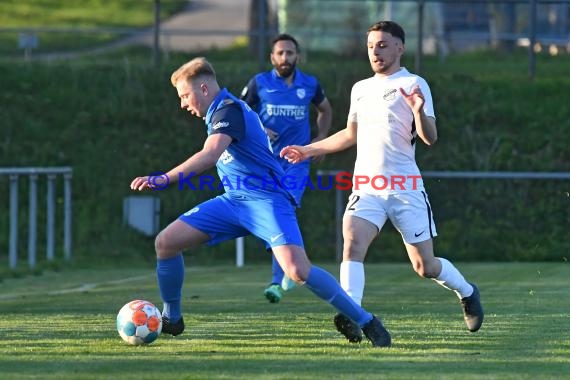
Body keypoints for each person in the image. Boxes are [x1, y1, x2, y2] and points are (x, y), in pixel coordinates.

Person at [129, 56, 391, 347]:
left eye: (184, 95)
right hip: (234, 203)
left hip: (268, 202)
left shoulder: (229, 110)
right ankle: (172, 319)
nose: (182, 103)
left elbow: (210, 154)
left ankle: (366, 320)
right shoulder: (218, 112)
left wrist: (165, 178)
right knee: (166, 243)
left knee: (297, 270)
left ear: (203, 89)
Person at [280, 21, 484, 343]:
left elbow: (430, 138)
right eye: (372, 45)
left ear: (400, 48)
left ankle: (468, 292)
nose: (376, 51)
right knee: (352, 242)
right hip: (366, 186)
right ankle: (353, 313)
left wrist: (418, 110)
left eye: (383, 45)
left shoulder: (415, 83)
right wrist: (307, 150)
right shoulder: (360, 88)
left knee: (425, 266)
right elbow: (350, 134)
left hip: (406, 189)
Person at [240, 33, 332, 303]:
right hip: (265, 161)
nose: (285, 58)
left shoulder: (310, 84)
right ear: (272, 57)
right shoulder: (260, 83)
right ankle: (288, 269)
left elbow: (325, 110)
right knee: (272, 216)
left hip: (297, 161)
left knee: (284, 208)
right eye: (280, 53)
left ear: (297, 56)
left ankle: (277, 281)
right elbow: (239, 112)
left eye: (289, 53)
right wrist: (259, 127)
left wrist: (320, 140)